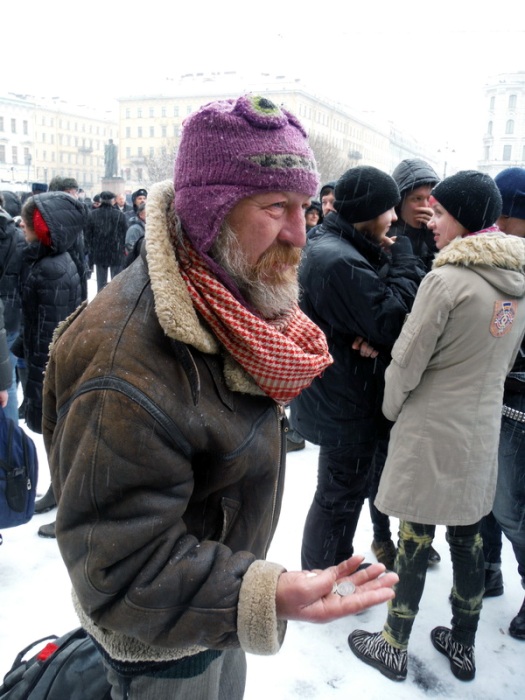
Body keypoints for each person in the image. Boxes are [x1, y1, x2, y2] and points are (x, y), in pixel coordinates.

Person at [42, 95, 398, 700]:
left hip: (212, 611)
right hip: (162, 649)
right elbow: (120, 567)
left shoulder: (228, 297)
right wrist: (263, 595)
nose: (300, 232)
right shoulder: (126, 365)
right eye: (276, 207)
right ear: (211, 213)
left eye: (306, 206)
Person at [348, 170, 525, 682]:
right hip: (480, 427)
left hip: (430, 426)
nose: (431, 221)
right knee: (468, 538)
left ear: (464, 220)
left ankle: (393, 643)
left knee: (415, 536)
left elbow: (408, 359)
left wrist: (389, 408)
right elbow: (506, 358)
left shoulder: (445, 280)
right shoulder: (517, 283)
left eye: (441, 213)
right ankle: (463, 644)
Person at [293, 165, 425, 571]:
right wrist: (403, 260)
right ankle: (322, 576)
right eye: (389, 210)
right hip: (345, 399)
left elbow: (373, 315)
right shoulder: (338, 261)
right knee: (338, 495)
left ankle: (334, 564)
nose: (394, 219)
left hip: (340, 392)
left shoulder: (333, 243)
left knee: (342, 491)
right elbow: (393, 322)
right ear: (368, 212)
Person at [367, 158, 442, 571]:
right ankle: (381, 535)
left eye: (430, 198)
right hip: (389, 367)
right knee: (382, 460)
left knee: (416, 462)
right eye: (416, 198)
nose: (425, 206)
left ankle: (413, 535)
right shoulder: (386, 240)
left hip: (427, 368)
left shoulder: (441, 239)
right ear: (398, 200)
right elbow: (386, 305)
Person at [15, 192, 84, 538]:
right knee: (57, 437)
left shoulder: (51, 269)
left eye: (27, 224)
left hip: (51, 368)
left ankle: (69, 510)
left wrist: (40, 377)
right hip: (50, 363)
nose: (22, 228)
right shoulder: (51, 261)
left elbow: (50, 331)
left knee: (61, 440)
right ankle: (58, 493)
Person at [480, 166, 525, 639]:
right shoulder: (503, 260)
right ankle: (489, 569)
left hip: (517, 407)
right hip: (494, 396)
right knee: (484, 494)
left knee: (512, 507)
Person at [0, 194, 26, 424]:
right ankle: (10, 435)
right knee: (7, 381)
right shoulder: (18, 236)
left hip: (9, 316)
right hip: (11, 316)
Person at [85, 190, 128, 292]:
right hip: (116, 251)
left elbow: (88, 235)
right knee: (116, 282)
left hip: (99, 251)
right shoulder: (120, 215)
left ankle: (101, 298)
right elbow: (125, 233)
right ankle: (115, 298)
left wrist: (91, 248)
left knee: (101, 283)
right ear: (113, 201)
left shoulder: (93, 214)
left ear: (100, 200)